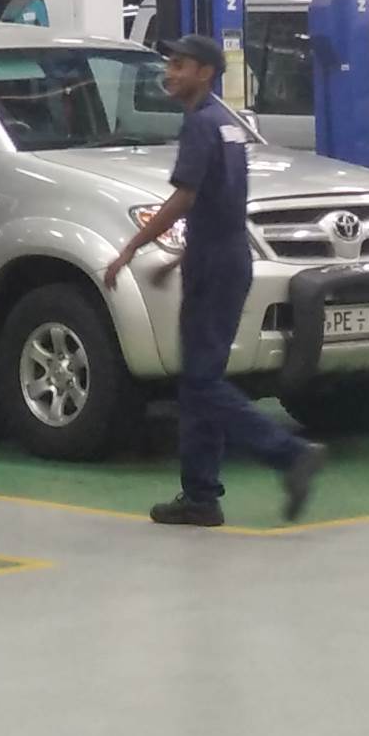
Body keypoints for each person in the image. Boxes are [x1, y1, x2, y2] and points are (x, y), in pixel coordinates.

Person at [103, 34, 320, 527]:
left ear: (205, 73)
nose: (169, 73)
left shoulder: (201, 125)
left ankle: (289, 454)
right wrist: (180, 257)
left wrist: (132, 248)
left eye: (180, 65)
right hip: (224, 257)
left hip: (215, 264)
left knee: (201, 383)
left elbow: (185, 197)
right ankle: (201, 495)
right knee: (200, 381)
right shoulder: (227, 123)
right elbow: (221, 200)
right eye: (170, 64)